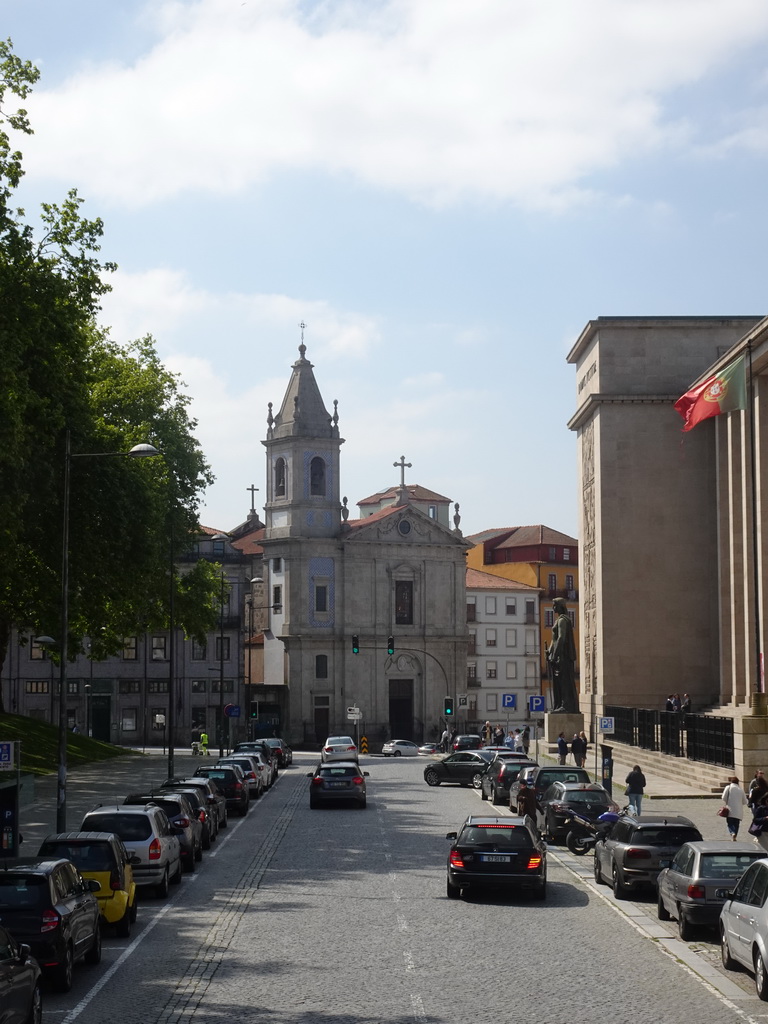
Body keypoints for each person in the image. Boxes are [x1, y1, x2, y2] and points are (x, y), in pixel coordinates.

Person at [546, 598, 578, 712]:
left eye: (554, 605)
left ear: (560, 606)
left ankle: (566, 705)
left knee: (564, 681)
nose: (553, 608)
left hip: (563, 656)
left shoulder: (562, 621)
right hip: (559, 656)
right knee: (559, 681)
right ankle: (559, 704)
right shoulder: (558, 620)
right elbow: (553, 640)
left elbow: (561, 638)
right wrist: (549, 651)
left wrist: (555, 654)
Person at [721, 776, 748, 840]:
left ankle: (732, 832)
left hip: (730, 810)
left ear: (731, 781)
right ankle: (735, 834)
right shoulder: (741, 790)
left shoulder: (728, 787)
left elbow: (723, 797)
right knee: (736, 824)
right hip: (739, 811)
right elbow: (745, 801)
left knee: (730, 823)